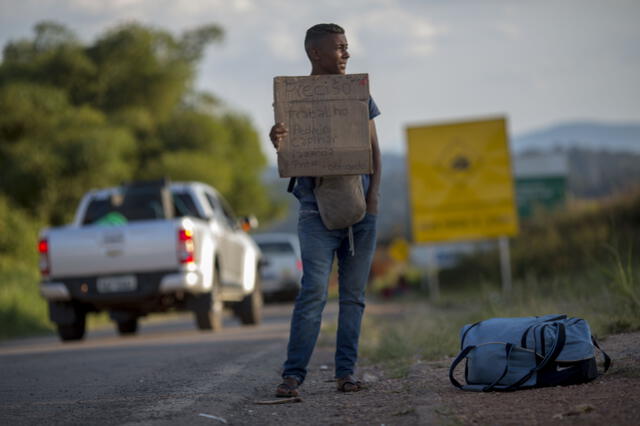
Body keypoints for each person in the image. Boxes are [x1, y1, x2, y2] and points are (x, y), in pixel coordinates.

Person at [269, 23, 381, 396]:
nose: (346, 54)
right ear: (316, 53)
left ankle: (346, 374)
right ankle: (293, 375)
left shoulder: (358, 93)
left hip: (361, 206)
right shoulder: (295, 97)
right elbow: (290, 148)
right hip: (315, 209)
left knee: (353, 296)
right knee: (313, 292)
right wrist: (279, 140)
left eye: (347, 47)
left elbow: (373, 151)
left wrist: (374, 199)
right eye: (339, 48)